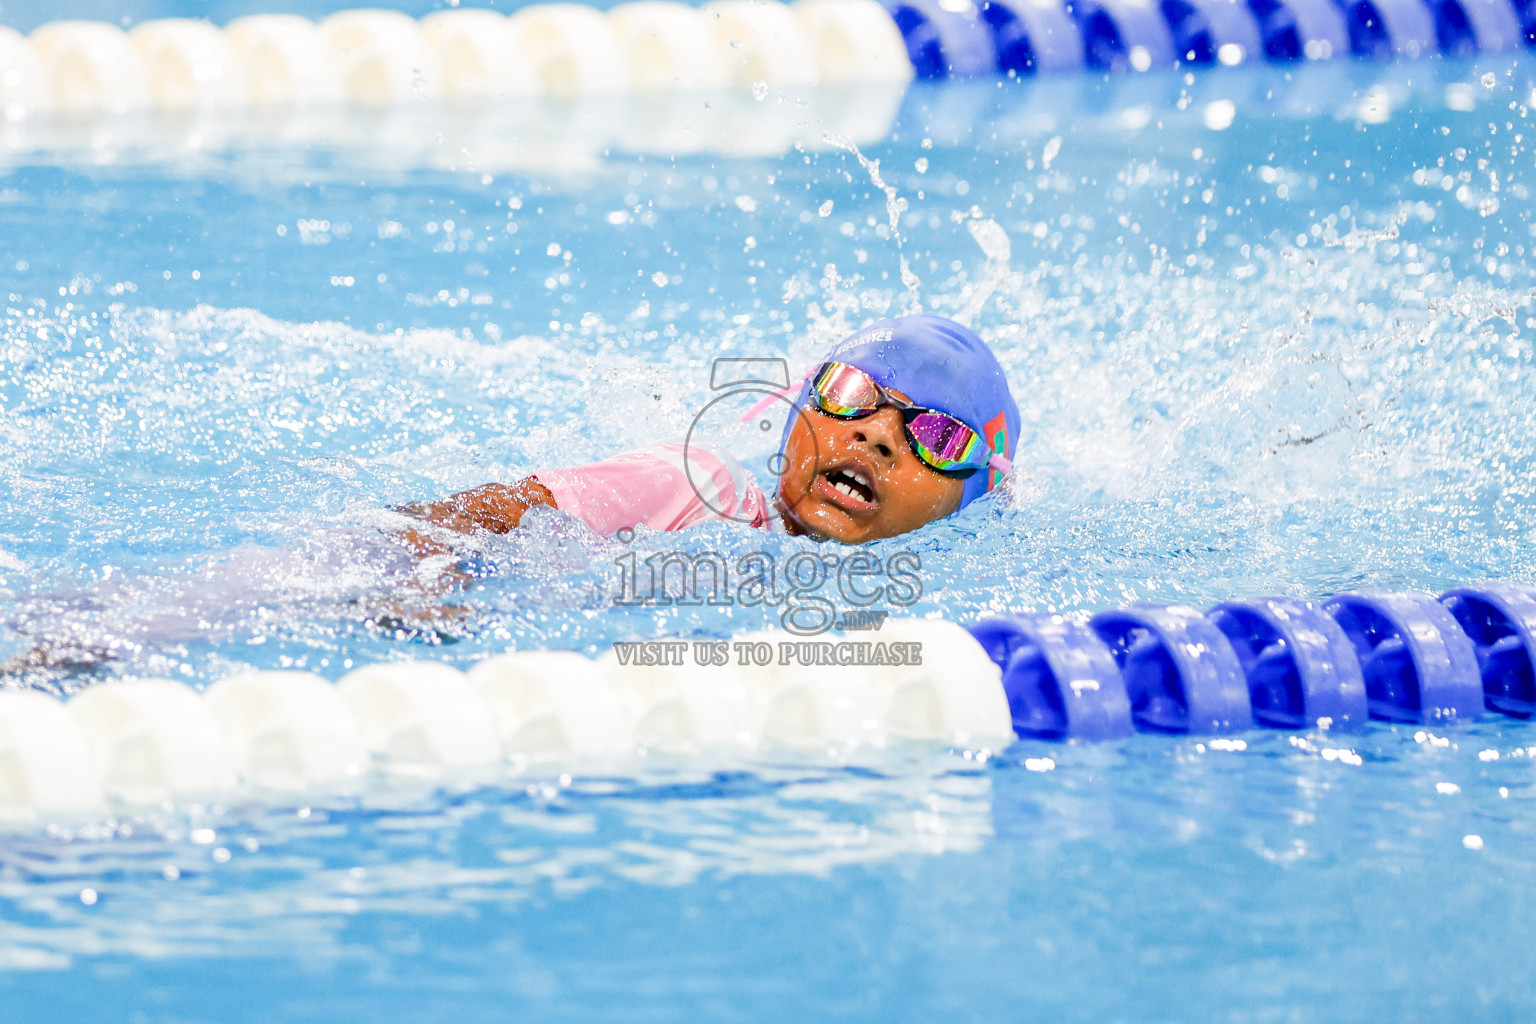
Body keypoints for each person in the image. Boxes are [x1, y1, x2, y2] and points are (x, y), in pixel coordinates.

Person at [397, 314, 1020, 549]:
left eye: (938, 437)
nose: (878, 436)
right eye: (851, 394)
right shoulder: (701, 489)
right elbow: (473, 516)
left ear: (975, 497)